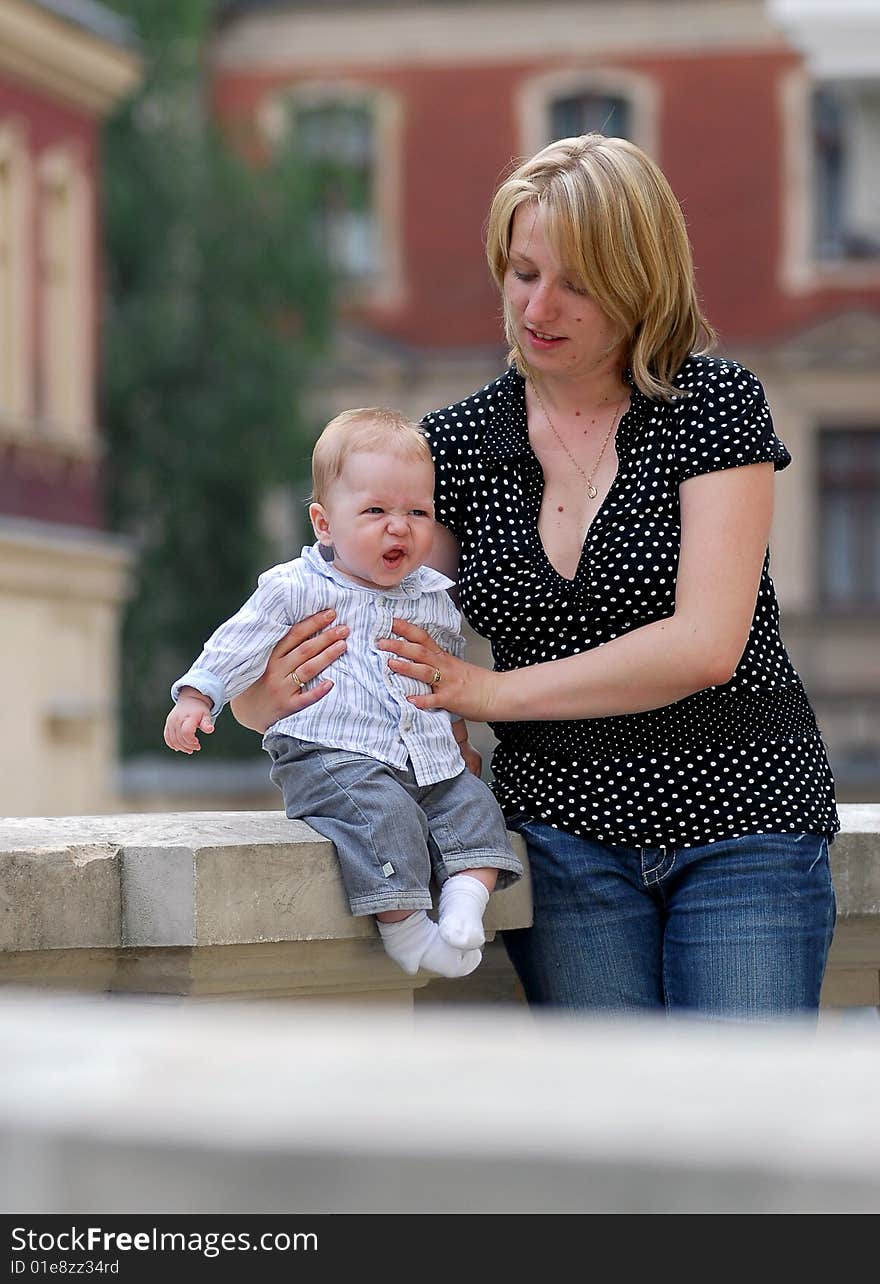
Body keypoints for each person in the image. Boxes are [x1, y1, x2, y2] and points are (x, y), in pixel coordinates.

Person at [231, 134, 838, 1019]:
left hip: (744, 815)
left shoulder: (715, 405)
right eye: (522, 273)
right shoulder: (456, 446)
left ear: (641, 281)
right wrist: (260, 699)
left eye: (578, 284)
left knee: (737, 1131)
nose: (538, 307)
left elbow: (708, 645)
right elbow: (374, 621)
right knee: (602, 1141)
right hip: (558, 836)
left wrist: (485, 692)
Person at [164, 407, 523, 980]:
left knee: (476, 805)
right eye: (376, 511)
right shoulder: (296, 586)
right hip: (330, 754)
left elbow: (444, 673)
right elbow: (238, 643)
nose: (399, 527)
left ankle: (465, 903)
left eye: (417, 512)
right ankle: (406, 929)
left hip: (423, 754)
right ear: (324, 524)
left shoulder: (434, 595)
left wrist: (456, 732)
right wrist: (198, 697)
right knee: (380, 816)